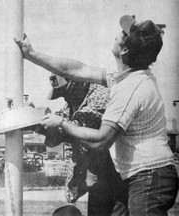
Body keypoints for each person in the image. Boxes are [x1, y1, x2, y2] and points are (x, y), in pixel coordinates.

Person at [15, 15, 179, 215]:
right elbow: (76, 69)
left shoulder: (130, 88)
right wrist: (31, 54)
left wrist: (62, 123)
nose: (118, 33)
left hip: (149, 177)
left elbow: (101, 140)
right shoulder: (127, 76)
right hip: (141, 176)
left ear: (125, 50)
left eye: (123, 34)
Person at [43, 73, 121, 216]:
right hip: (100, 175)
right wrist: (38, 124)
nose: (64, 98)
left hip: (118, 173)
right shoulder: (74, 102)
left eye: (65, 93)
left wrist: (59, 123)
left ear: (77, 84)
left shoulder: (101, 96)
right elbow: (56, 137)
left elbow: (78, 126)